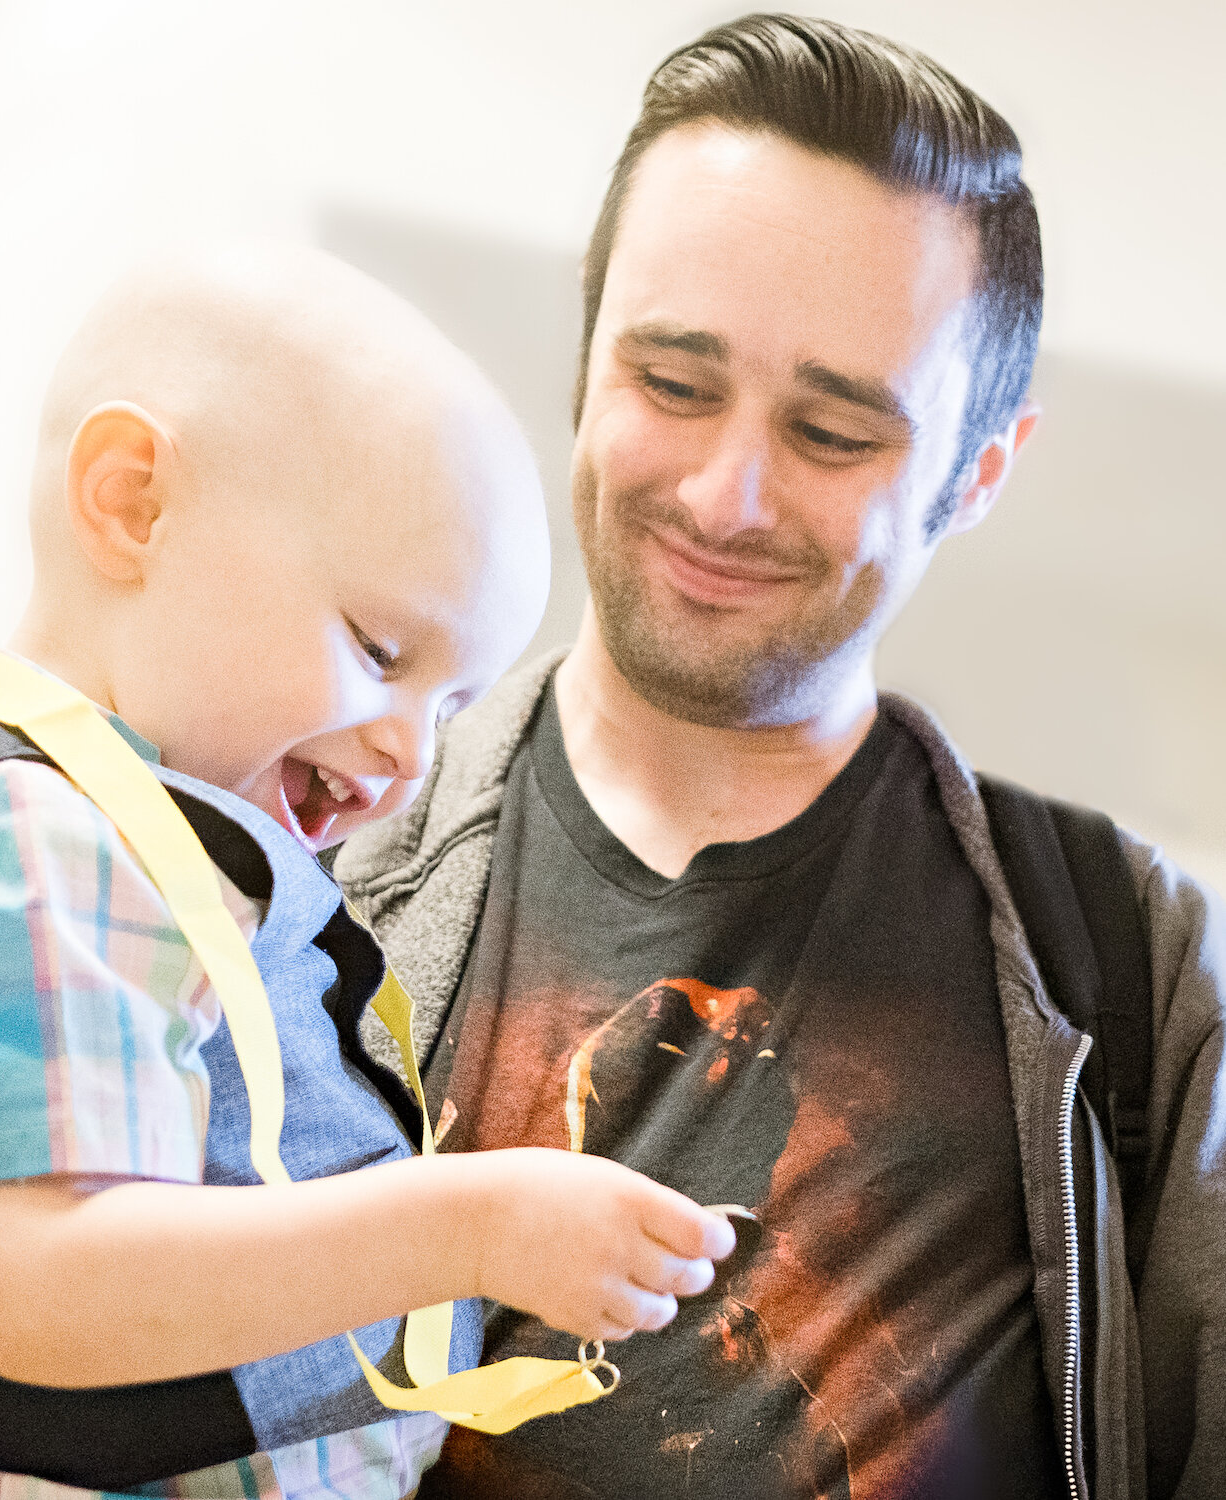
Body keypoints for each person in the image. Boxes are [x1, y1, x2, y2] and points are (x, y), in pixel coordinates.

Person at [331, 16, 1226, 1500]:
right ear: (587, 356)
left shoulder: (1135, 963)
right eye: (674, 386)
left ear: (978, 469)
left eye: (830, 432)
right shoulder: (290, 860)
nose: (723, 492)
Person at [0, 248, 736, 1500]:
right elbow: (47, 1287)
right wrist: (476, 1225)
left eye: (453, 708)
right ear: (132, 507)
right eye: (380, 649)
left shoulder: (141, 846)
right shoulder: (17, 843)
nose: (409, 753)